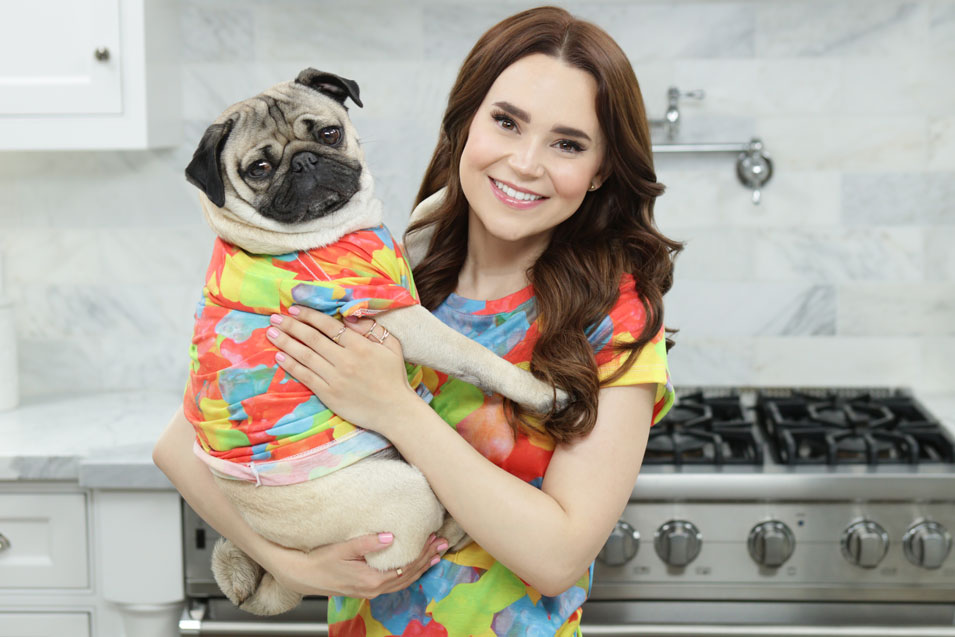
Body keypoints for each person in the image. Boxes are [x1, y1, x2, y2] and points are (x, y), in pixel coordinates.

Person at [153, 6, 683, 635]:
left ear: (598, 171)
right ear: (464, 124)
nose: (525, 162)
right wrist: (289, 564)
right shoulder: (393, 265)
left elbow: (557, 558)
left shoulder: (616, 317)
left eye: (567, 143)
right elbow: (180, 447)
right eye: (507, 123)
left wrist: (395, 407)